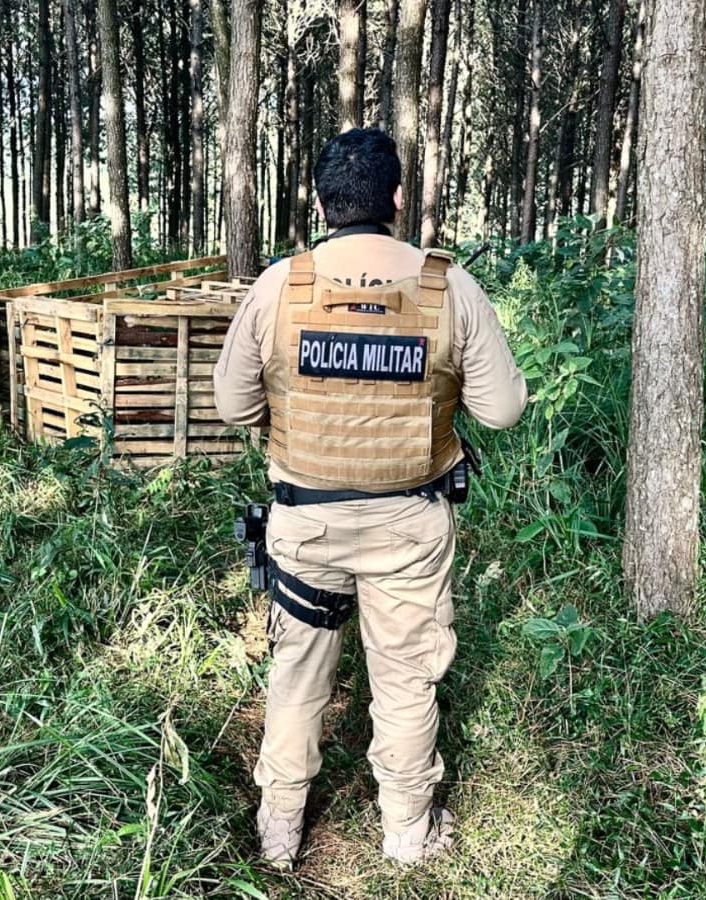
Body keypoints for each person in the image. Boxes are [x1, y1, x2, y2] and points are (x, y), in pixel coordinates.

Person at [212, 129, 527, 868]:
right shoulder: (445, 285)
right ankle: (407, 834)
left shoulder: (281, 285)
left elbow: (232, 403)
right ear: (394, 199)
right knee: (406, 680)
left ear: (324, 204)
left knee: (295, 679)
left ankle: (279, 832)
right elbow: (503, 410)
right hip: (409, 527)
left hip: (305, 523)